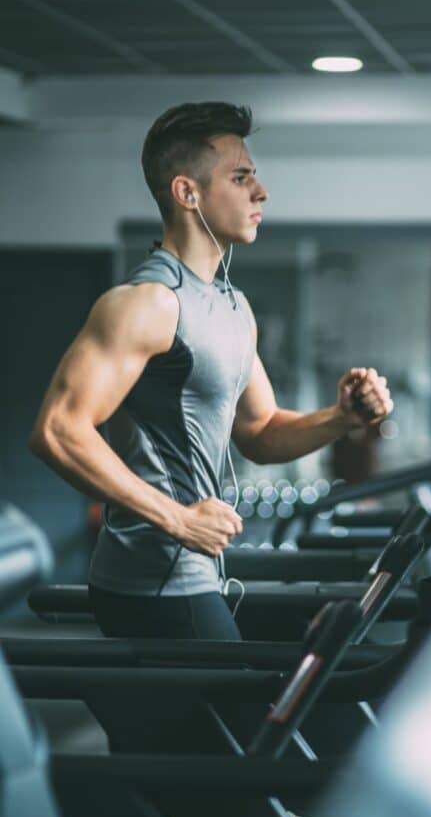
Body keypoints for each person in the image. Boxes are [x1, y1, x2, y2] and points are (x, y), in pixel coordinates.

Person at [29, 101, 393, 642]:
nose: (260, 192)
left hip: (198, 574)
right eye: (241, 177)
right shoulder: (148, 302)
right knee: (252, 722)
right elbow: (58, 430)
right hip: (155, 584)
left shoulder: (232, 307)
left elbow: (261, 432)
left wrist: (342, 418)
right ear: (187, 193)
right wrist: (177, 519)